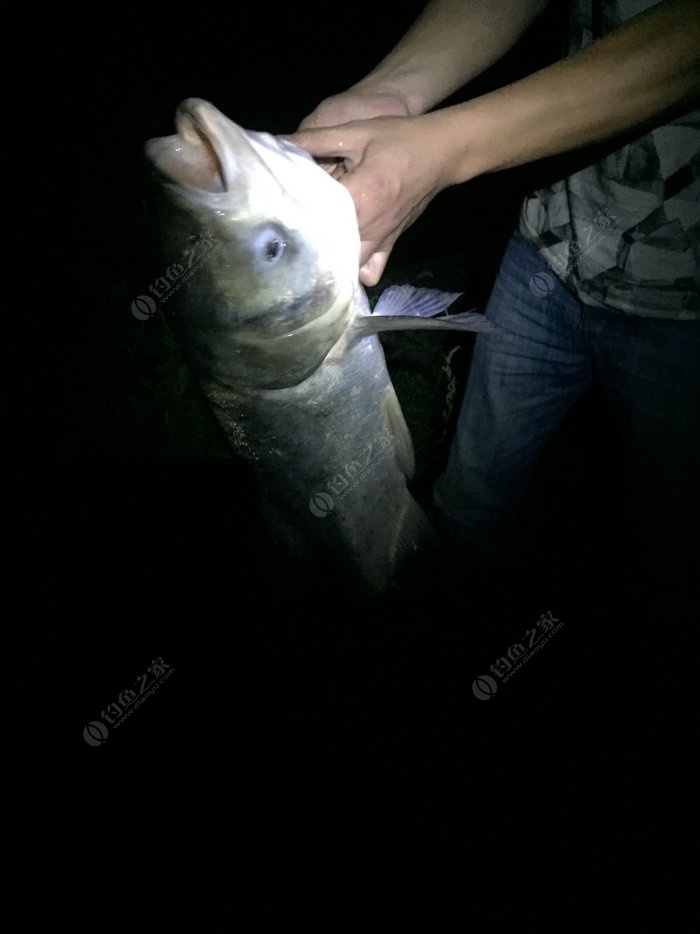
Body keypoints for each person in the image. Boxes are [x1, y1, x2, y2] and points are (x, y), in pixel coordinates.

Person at [290, 0, 700, 621]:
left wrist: (442, 151)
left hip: (685, 311)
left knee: (669, 553)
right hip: (545, 253)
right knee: (466, 506)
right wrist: (391, 96)